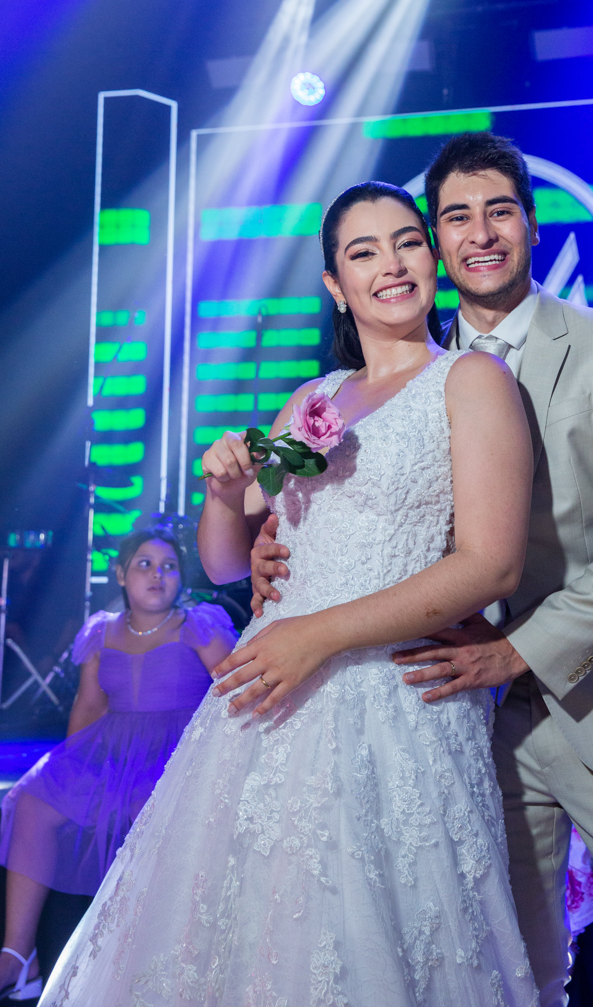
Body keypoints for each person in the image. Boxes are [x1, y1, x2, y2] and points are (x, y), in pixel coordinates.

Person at [248, 134, 593, 1007]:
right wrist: (280, 544)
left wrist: (516, 651)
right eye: (456, 217)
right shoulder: (402, 374)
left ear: (533, 225)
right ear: (435, 240)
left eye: (500, 211)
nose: (480, 234)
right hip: (462, 729)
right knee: (515, 981)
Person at [39, 182, 539, 1006]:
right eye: (364, 252)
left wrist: (316, 634)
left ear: (433, 259)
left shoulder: (471, 380)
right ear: (337, 286)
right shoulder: (313, 401)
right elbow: (226, 562)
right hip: (267, 702)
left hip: (393, 699)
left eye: (407, 242)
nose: (392, 265)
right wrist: (220, 490)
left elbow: (491, 567)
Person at [0, 528, 236, 1003]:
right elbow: (89, 707)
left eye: (169, 566)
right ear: (121, 574)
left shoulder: (198, 626)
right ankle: (17, 956)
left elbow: (233, 690)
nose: (157, 574)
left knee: (141, 806)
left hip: (177, 751)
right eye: (145, 564)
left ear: (180, 579)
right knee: (32, 801)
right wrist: (70, 775)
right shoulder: (101, 631)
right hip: (111, 748)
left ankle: (143, 960)